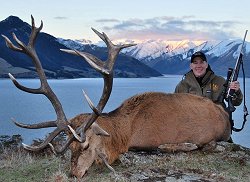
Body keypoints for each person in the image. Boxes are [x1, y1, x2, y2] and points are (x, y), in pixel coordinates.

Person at [175, 51, 243, 108]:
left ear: (206, 65)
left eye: (201, 62)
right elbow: (175, 107)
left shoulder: (220, 81)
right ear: (191, 66)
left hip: (216, 122)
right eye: (195, 63)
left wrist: (236, 90)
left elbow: (236, 102)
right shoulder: (182, 86)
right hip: (191, 123)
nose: (198, 66)